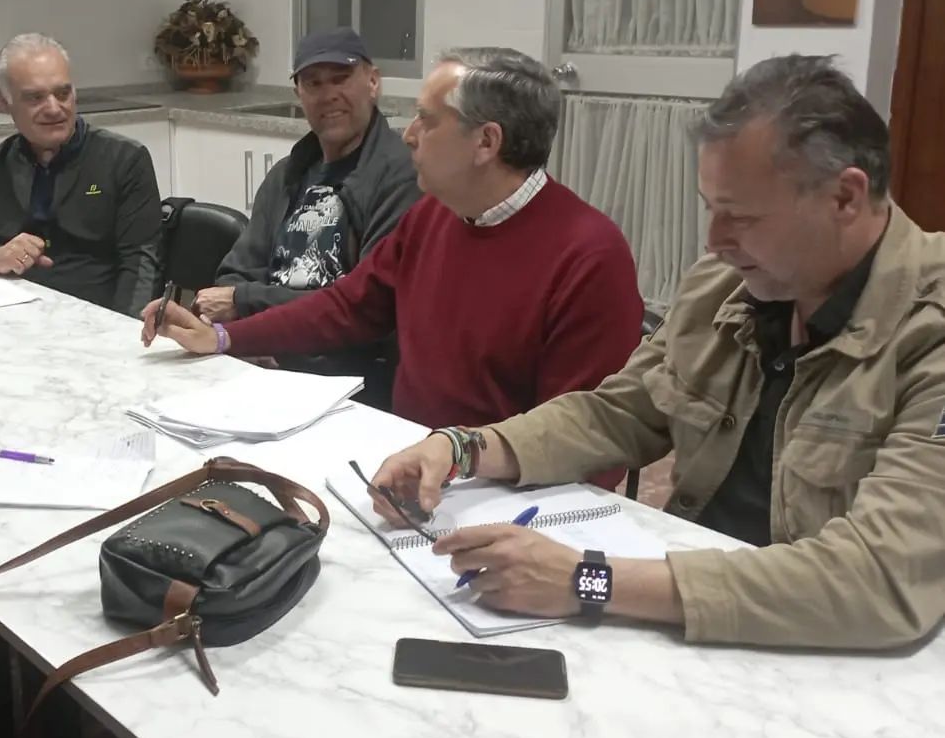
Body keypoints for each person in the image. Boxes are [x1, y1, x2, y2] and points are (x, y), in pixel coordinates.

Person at [369, 55, 945, 651]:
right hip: (694, 624)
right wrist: (463, 447)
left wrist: (586, 579)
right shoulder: (730, 285)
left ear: (845, 198)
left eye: (741, 217)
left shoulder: (928, 328)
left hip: (835, 661)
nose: (714, 242)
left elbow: (881, 577)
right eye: (711, 208)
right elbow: (618, 412)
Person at [143, 47, 643, 487]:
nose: (409, 136)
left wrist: (465, 469)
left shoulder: (589, 256)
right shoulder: (435, 215)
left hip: (500, 492)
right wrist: (226, 337)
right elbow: (349, 306)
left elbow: (588, 444)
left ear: (486, 142)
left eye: (427, 120)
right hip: (406, 457)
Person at [195, 27, 420, 403]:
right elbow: (237, 271)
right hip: (263, 362)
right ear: (299, 93)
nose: (328, 94)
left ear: (373, 82)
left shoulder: (401, 177)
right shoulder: (287, 174)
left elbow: (365, 309)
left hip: (347, 384)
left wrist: (249, 308)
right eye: (313, 83)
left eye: (340, 78)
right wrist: (252, 334)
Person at [0, 32, 161, 316]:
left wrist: (126, 331)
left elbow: (141, 266)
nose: (54, 108)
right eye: (35, 97)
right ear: (4, 102)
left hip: (95, 318)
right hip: (12, 319)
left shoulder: (124, 160)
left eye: (63, 93)